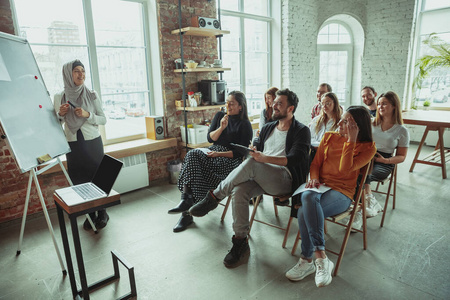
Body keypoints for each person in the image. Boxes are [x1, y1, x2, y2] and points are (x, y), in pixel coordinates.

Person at [189, 88, 311, 268]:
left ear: (291, 108)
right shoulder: (269, 127)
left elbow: (295, 159)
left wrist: (263, 158)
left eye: (279, 104)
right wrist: (254, 150)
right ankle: (240, 242)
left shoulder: (301, 130)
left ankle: (214, 196)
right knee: (239, 191)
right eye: (274, 102)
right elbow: (257, 148)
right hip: (262, 175)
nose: (274, 106)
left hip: (285, 179)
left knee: (254, 164)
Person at [285, 106, 376, 287]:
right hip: (320, 186)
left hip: (342, 193)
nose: (340, 123)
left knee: (304, 212)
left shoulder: (368, 147)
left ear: (357, 126)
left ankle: (308, 260)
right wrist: (315, 179)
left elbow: (344, 169)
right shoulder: (329, 137)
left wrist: (351, 140)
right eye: (342, 119)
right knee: (308, 197)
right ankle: (321, 258)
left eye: (346, 121)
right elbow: (315, 163)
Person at [168, 91, 253, 232]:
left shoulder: (245, 125)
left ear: (240, 107)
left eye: (232, 103)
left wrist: (219, 154)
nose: (228, 106)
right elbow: (210, 139)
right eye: (227, 102)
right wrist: (221, 127)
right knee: (192, 155)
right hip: (213, 151)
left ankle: (186, 213)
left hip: (230, 159)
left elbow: (240, 153)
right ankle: (186, 200)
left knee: (198, 170)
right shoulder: (220, 116)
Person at [53, 59, 108, 230]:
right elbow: (55, 124)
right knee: (80, 180)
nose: (81, 74)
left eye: (83, 71)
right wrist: (60, 115)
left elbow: (103, 119)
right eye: (76, 71)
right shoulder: (59, 97)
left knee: (98, 178)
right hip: (73, 144)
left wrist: (87, 114)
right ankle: (90, 214)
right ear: (68, 74)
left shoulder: (92, 94)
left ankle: (102, 212)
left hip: (93, 143)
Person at [362, 91, 410, 219]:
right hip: (367, 156)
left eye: (384, 104)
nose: (380, 107)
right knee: (357, 173)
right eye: (379, 104)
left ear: (394, 106)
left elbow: (402, 156)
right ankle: (367, 201)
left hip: (385, 161)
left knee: (363, 176)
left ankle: (361, 209)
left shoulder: (402, 130)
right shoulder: (371, 123)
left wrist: (385, 161)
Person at [309, 92, 342, 162]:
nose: (324, 106)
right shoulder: (316, 120)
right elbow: (309, 137)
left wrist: (318, 145)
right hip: (313, 152)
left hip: (329, 155)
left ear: (335, 104)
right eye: (322, 104)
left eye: (328, 103)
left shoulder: (340, 122)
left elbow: (333, 143)